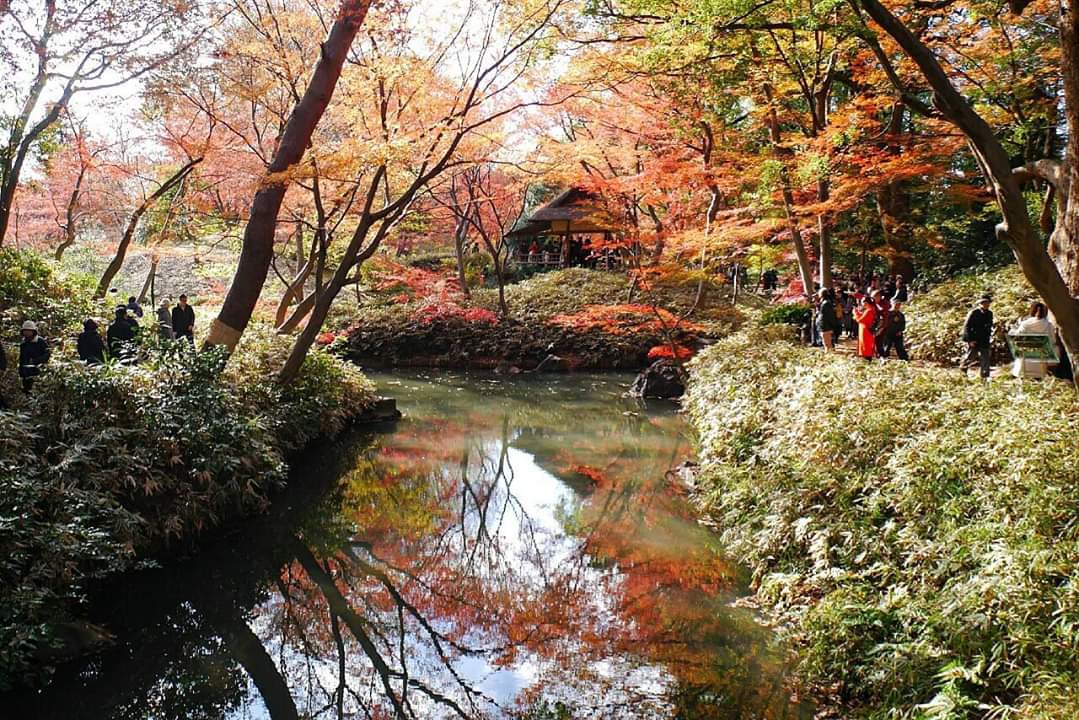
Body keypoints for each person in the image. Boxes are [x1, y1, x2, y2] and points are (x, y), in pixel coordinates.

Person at [1012, 302, 1056, 378]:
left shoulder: (1025, 324)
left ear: (1032, 311)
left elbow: (1017, 337)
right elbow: (1053, 341)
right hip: (1041, 362)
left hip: (1025, 361)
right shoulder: (1049, 325)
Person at [961, 294, 994, 379]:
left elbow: (989, 326)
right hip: (974, 339)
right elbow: (967, 326)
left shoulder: (990, 313)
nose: (986, 304)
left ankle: (985, 376)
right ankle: (963, 372)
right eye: (984, 303)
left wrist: (990, 337)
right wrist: (969, 340)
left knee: (985, 358)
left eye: (987, 303)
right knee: (970, 357)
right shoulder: (974, 313)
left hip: (984, 339)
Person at [18, 321, 50, 392]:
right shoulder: (23, 343)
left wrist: (36, 361)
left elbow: (47, 354)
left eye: (28, 331)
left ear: (33, 331)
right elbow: (22, 358)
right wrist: (21, 371)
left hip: (38, 370)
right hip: (26, 372)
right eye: (25, 331)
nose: (26, 333)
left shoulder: (40, 341)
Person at [853, 294, 878, 360]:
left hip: (866, 332)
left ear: (866, 303)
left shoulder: (869, 310)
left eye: (862, 302)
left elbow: (860, 320)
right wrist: (858, 312)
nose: (861, 304)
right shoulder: (870, 309)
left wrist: (855, 313)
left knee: (866, 349)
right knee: (866, 348)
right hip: (865, 331)